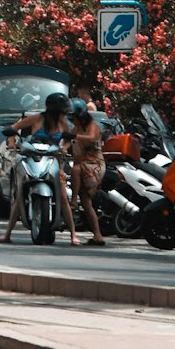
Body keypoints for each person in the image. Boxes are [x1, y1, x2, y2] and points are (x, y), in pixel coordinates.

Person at [0, 91, 77, 244]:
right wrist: (12, 143)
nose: (63, 115)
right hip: (32, 159)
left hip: (54, 161)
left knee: (63, 196)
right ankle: (7, 234)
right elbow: (13, 130)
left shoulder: (64, 124)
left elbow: (68, 139)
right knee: (20, 195)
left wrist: (64, 147)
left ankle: (73, 235)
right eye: (61, 112)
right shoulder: (36, 119)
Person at [68, 98, 107, 245]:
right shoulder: (75, 129)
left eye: (75, 118)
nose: (73, 121)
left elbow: (91, 139)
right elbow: (67, 143)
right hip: (82, 164)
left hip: (94, 165)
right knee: (86, 202)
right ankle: (98, 235)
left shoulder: (93, 126)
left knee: (75, 169)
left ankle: (73, 202)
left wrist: (74, 136)